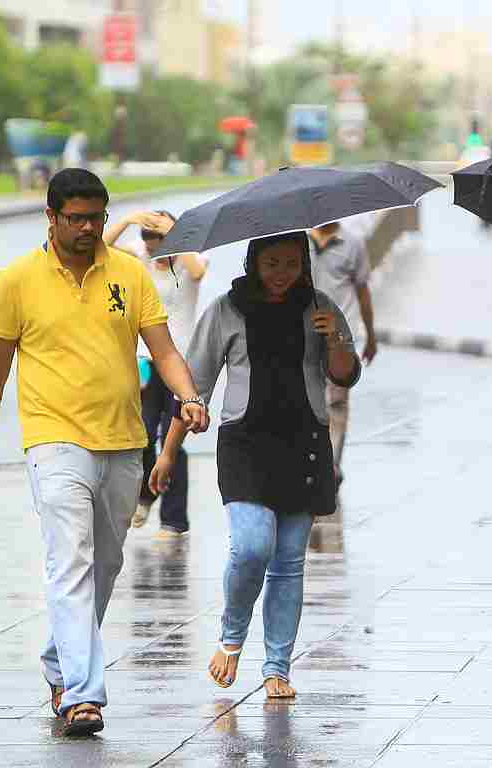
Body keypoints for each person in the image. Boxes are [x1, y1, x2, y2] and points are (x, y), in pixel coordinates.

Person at [0, 169, 209, 736]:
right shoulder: (16, 281)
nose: (88, 228)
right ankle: (82, 695)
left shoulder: (129, 273)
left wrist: (189, 396)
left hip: (123, 440)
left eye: (96, 218)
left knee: (105, 563)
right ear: (51, 217)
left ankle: (59, 661)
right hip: (53, 439)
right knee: (70, 559)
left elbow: (164, 351)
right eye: (76, 218)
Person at [151, 232, 360, 700]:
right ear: (253, 262)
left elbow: (345, 374)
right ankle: (231, 636)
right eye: (271, 263)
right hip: (245, 446)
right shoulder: (227, 309)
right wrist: (168, 452)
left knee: (288, 562)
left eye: (291, 263)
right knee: (251, 548)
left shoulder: (320, 307)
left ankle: (277, 669)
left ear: (304, 264)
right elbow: (193, 385)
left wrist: (335, 338)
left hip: (304, 445)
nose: (281, 273)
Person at [103, 210, 208, 537]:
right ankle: (146, 495)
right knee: (143, 435)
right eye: (149, 244)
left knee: (173, 439)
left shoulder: (188, 260)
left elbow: (198, 272)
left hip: (181, 364)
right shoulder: (141, 258)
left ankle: (173, 520)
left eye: (159, 243)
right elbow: (102, 246)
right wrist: (129, 220)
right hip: (146, 361)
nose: (154, 251)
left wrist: (176, 234)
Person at [308, 219, 378, 489]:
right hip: (305, 336)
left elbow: (363, 291)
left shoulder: (353, 243)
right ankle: (312, 460)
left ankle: (331, 464)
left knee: (336, 402)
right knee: (310, 401)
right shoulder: (299, 241)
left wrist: (370, 336)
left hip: (340, 338)